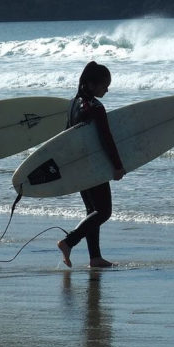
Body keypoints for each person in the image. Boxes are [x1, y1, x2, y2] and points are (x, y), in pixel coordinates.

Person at [57, 61, 126, 268]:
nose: (107, 89)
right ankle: (69, 242)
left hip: (78, 165)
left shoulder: (72, 105)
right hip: (93, 166)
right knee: (103, 212)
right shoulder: (95, 107)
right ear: (90, 84)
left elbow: (65, 137)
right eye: (104, 84)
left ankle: (95, 257)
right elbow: (106, 138)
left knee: (92, 212)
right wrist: (117, 165)